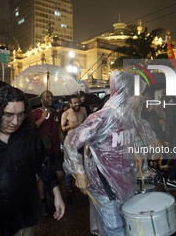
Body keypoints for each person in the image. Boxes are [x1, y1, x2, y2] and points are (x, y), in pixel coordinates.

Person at [63, 71, 159, 236]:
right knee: (115, 229)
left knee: (127, 223)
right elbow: (71, 140)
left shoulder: (128, 117)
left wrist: (134, 151)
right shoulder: (102, 117)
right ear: (128, 92)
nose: (142, 98)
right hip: (103, 186)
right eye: (140, 93)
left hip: (125, 181)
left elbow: (125, 140)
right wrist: (79, 172)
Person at [0, 85, 65, 235]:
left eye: (21, 115)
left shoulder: (29, 131)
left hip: (26, 212)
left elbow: (43, 161)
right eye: (8, 115)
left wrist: (57, 194)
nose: (15, 121)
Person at [32, 90, 65, 216]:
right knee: (41, 178)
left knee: (60, 173)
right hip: (42, 152)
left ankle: (52, 190)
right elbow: (31, 128)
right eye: (47, 96)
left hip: (55, 150)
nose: (50, 98)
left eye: (51, 96)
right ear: (42, 100)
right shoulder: (35, 113)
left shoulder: (57, 113)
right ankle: (43, 203)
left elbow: (59, 130)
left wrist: (65, 145)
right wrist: (42, 117)